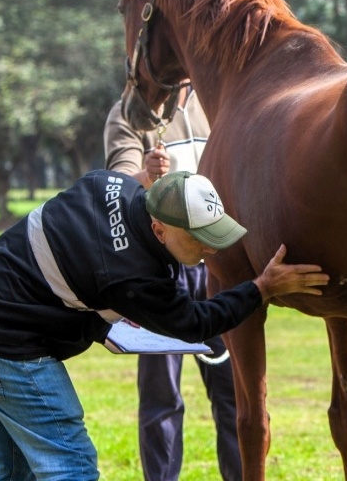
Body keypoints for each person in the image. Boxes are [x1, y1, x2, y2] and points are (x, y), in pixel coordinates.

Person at [0, 169, 330, 481]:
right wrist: (262, 288)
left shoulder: (110, 182)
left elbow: (77, 252)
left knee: (11, 471)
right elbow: (197, 322)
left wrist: (97, 318)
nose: (211, 248)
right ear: (159, 230)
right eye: (199, 239)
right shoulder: (134, 275)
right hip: (0, 343)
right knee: (71, 464)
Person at [104, 88, 241, 481]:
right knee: (161, 398)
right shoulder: (130, 112)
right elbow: (117, 184)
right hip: (161, 270)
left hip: (219, 265)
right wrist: (146, 176)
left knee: (235, 394)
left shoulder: (218, 100)